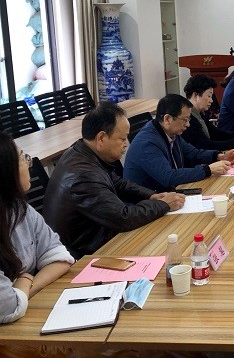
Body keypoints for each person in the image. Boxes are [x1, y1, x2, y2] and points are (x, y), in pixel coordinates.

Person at [43, 102, 185, 259]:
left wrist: (152, 196)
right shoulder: (84, 176)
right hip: (85, 255)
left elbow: (117, 183)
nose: (126, 145)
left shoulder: (83, 151)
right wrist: (164, 204)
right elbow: (123, 218)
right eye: (122, 139)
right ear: (101, 138)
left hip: (101, 235)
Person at [0, 132, 74, 324]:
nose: (28, 163)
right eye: (22, 158)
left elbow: (60, 258)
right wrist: (24, 284)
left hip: (24, 315)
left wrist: (25, 285)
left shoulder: (19, 208)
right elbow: (6, 307)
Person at [124, 94, 234, 192]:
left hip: (168, 194)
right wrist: (208, 169)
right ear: (167, 119)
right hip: (146, 203)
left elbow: (193, 153)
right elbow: (168, 176)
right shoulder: (147, 143)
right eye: (184, 120)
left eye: (189, 119)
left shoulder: (171, 132)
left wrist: (219, 156)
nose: (188, 124)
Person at [183, 74, 234, 150]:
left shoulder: (199, 113)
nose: (211, 100)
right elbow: (208, 146)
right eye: (209, 96)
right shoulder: (188, 118)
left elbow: (216, 133)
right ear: (195, 95)